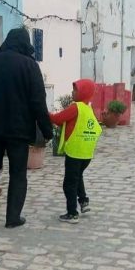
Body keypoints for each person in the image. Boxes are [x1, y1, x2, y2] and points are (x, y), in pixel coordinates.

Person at [0, 27, 53, 229]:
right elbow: (38, 102)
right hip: (19, 130)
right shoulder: (30, 66)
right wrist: (47, 130)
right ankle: (13, 218)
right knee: (17, 173)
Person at [49, 79, 102, 224]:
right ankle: (83, 201)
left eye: (75, 90)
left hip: (75, 152)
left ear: (83, 93)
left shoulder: (75, 107)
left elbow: (58, 119)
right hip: (86, 154)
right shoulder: (88, 109)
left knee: (69, 184)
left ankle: (72, 213)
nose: (72, 92)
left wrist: (44, 113)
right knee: (78, 176)